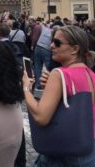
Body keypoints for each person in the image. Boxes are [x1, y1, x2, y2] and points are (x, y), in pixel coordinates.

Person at [24, 25, 95, 165]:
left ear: (75, 49)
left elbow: (41, 117)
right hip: (88, 145)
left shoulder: (59, 73)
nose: (51, 46)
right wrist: (52, 87)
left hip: (65, 149)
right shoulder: (90, 73)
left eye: (57, 43)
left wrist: (25, 87)